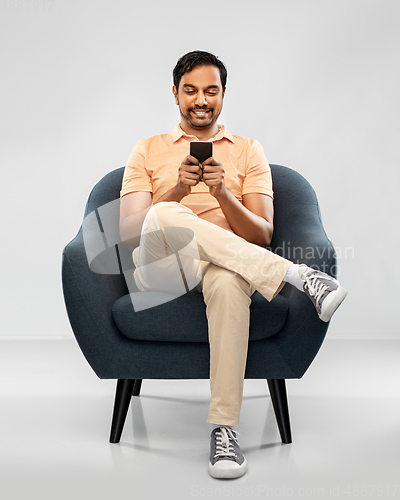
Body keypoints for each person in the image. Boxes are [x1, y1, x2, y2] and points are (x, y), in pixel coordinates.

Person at [119, 50, 347, 479]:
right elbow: (130, 231)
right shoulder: (147, 149)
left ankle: (224, 432)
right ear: (175, 95)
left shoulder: (247, 151)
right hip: (161, 268)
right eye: (190, 90)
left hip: (227, 266)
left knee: (227, 280)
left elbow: (261, 234)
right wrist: (175, 192)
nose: (201, 100)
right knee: (165, 213)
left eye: (211, 90)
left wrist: (223, 193)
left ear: (223, 95)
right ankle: (297, 276)